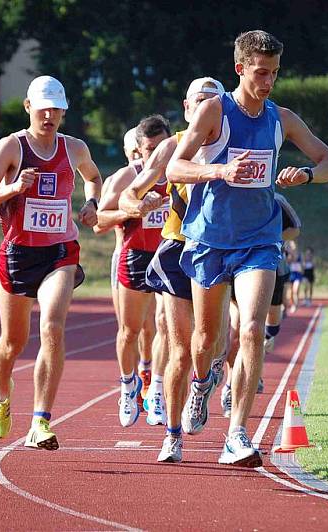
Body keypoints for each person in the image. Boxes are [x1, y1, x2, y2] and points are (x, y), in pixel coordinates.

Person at [167, 30, 328, 467]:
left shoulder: (281, 118)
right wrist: (220, 170)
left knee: (250, 330)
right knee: (206, 339)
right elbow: (175, 165)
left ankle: (237, 434)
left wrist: (303, 175)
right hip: (209, 239)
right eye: (261, 72)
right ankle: (202, 382)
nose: (267, 82)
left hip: (260, 240)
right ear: (240, 68)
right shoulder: (214, 111)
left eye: (275, 74)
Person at [0, 75, 101, 450]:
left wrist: (91, 203)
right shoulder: (11, 147)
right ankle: (1, 392)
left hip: (60, 252)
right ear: (29, 107)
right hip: (18, 254)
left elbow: (93, 176)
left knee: (52, 327)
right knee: (12, 343)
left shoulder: (74, 147)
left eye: (56, 109)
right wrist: (13, 188)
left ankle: (41, 421)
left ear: (63, 111)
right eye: (43, 108)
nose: (49, 115)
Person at [119, 77, 227, 462]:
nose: (204, 108)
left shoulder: (234, 140)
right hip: (178, 248)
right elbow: (135, 189)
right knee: (179, 347)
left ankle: (204, 385)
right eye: (198, 102)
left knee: (215, 344)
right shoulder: (171, 145)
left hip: (220, 249)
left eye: (211, 102)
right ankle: (173, 434)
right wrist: (138, 201)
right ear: (186, 107)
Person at [95, 115, 171, 427]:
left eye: (162, 147)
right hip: (135, 255)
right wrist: (134, 208)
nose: (157, 155)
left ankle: (155, 388)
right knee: (130, 330)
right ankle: (128, 387)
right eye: (150, 149)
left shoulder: (181, 170)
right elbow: (100, 221)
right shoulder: (127, 177)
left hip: (169, 254)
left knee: (164, 326)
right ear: (139, 150)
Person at [221, 193, 301, 417]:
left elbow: (295, 228)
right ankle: (230, 387)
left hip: (273, 266)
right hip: (239, 267)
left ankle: (255, 359)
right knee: (238, 331)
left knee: (268, 330)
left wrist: (270, 235)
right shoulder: (230, 195)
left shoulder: (276, 199)